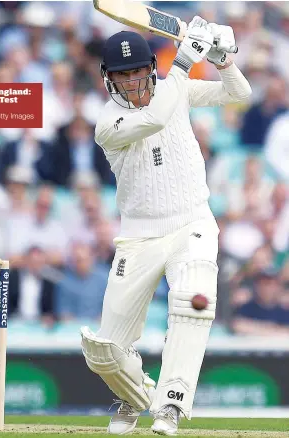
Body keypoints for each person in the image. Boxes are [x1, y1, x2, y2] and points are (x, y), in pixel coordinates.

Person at [80, 17, 252, 435]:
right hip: (138, 235)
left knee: (194, 300)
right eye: (123, 76)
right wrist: (183, 61)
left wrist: (223, 58)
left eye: (139, 71)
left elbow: (240, 94)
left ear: (150, 70)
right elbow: (156, 118)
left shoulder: (176, 88)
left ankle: (171, 405)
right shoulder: (108, 123)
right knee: (103, 351)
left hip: (192, 220)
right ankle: (134, 397)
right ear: (109, 79)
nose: (133, 82)